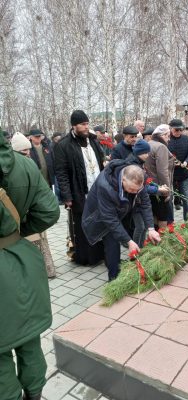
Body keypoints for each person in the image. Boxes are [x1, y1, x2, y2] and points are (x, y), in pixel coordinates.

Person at [0, 130, 59, 400]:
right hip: (21, 259)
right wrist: (18, 233)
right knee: (28, 339)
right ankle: (34, 395)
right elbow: (49, 211)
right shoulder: (23, 163)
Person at [82, 164, 160, 280]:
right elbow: (110, 219)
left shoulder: (140, 177)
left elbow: (145, 203)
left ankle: (118, 269)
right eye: (131, 189)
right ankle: (113, 280)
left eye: (136, 190)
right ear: (123, 179)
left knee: (122, 236)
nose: (134, 193)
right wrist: (129, 241)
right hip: (101, 217)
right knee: (113, 246)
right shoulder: (105, 186)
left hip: (121, 210)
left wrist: (151, 228)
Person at [54, 110, 105, 265]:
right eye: (83, 124)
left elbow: (100, 162)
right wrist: (67, 196)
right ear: (74, 125)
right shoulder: (63, 145)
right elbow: (61, 173)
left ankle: (100, 254)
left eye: (87, 123)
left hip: (98, 190)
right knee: (82, 225)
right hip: (79, 191)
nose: (86, 127)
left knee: (99, 221)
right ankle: (85, 258)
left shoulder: (93, 141)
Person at [11, 132, 57, 279]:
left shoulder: (28, 161)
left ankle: (48, 269)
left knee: (42, 242)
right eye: (23, 151)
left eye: (28, 150)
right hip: (27, 217)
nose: (27, 153)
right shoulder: (16, 168)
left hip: (36, 213)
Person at [144, 124, 175, 228]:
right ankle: (163, 239)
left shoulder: (149, 144)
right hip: (160, 188)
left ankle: (155, 239)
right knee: (163, 217)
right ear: (163, 135)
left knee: (155, 215)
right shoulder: (161, 147)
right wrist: (167, 190)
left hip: (150, 186)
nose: (169, 139)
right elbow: (162, 171)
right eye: (168, 136)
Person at [168, 119, 188, 221]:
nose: (178, 132)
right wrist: (170, 163)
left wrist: (186, 162)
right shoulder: (167, 139)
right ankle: (170, 223)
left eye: (180, 130)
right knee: (169, 199)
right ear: (171, 129)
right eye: (176, 130)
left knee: (186, 198)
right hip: (170, 175)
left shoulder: (187, 139)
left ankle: (187, 222)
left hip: (184, 174)